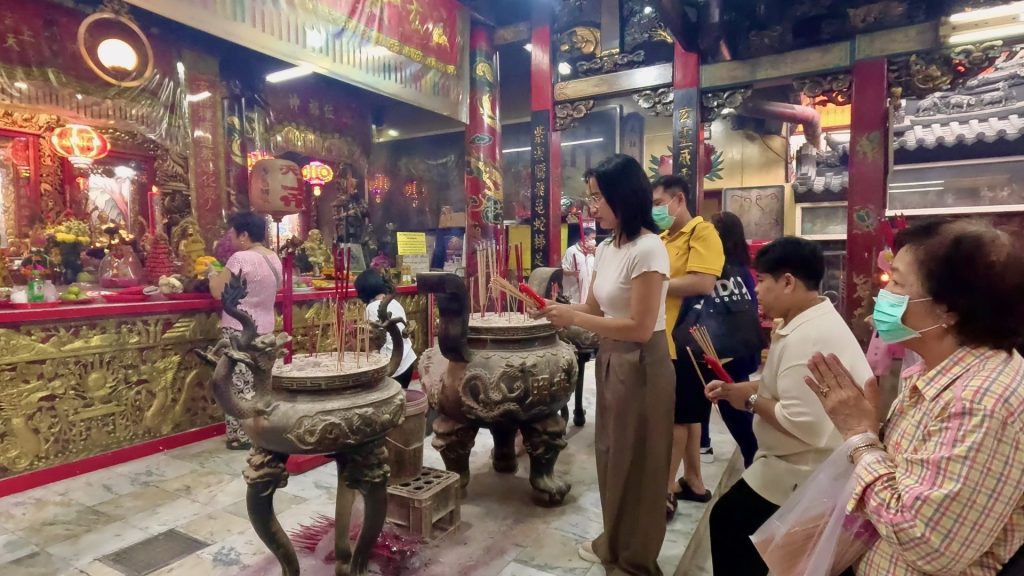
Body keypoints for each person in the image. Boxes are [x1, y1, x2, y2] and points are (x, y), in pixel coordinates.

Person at [803, 219, 1024, 576]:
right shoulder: (935, 370)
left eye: (897, 283)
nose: (883, 295)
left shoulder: (982, 402)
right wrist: (876, 433)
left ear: (948, 310)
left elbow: (925, 542)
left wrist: (860, 436)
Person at [536, 154, 674, 576]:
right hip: (612, 358)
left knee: (642, 463)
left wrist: (575, 318)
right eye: (589, 196)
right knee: (612, 456)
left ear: (623, 197)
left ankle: (636, 557)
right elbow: (594, 307)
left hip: (643, 362)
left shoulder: (649, 249)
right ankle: (612, 541)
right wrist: (559, 309)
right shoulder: (611, 248)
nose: (590, 206)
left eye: (598, 197)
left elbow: (639, 326)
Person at [705, 236, 872, 576]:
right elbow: (785, 387)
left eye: (762, 281)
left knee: (730, 523)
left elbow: (802, 422)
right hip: (798, 461)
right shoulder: (808, 321)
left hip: (803, 469)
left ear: (788, 282)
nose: (757, 292)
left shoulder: (809, 336)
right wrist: (737, 389)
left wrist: (749, 400)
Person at [651, 175, 723, 518]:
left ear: (678, 200)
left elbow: (703, 282)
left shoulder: (702, 232)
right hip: (668, 339)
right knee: (691, 415)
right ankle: (693, 478)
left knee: (677, 418)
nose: (655, 211)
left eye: (658, 203)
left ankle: (663, 489)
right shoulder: (663, 237)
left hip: (687, 340)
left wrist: (654, 286)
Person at [210, 211, 283, 451]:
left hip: (238, 331)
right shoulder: (274, 258)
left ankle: (240, 435)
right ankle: (260, 428)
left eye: (231, 233)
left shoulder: (240, 258)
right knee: (259, 382)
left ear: (244, 234)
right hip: (265, 330)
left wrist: (212, 274)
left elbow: (218, 292)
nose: (228, 238)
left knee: (236, 384)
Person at [703, 211, 764, 468]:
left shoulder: (714, 269)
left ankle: (755, 454)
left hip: (722, 347)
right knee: (727, 397)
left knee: (730, 403)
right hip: (743, 346)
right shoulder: (743, 270)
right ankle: (705, 442)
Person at [354, 268, 417, 388]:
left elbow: (376, 339)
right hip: (408, 361)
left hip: (392, 366)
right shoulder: (395, 302)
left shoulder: (372, 307)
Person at [562, 226, 596, 304]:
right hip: (574, 294)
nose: (594, 241)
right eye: (592, 238)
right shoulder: (571, 251)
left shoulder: (592, 253)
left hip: (588, 294)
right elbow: (564, 270)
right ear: (585, 238)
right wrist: (573, 273)